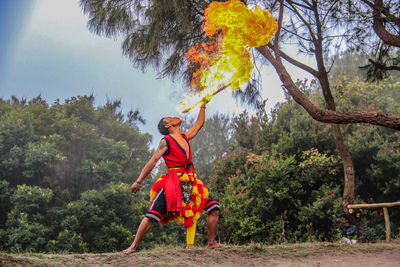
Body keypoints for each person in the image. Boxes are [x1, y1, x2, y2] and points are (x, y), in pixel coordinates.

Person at [122, 103, 224, 254]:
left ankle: (211, 242)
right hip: (173, 185)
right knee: (151, 215)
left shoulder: (185, 137)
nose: (174, 116)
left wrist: (203, 105)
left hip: (190, 184)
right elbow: (153, 161)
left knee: (213, 207)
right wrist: (138, 181)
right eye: (169, 118)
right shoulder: (166, 141)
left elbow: (199, 124)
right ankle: (133, 246)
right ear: (168, 125)